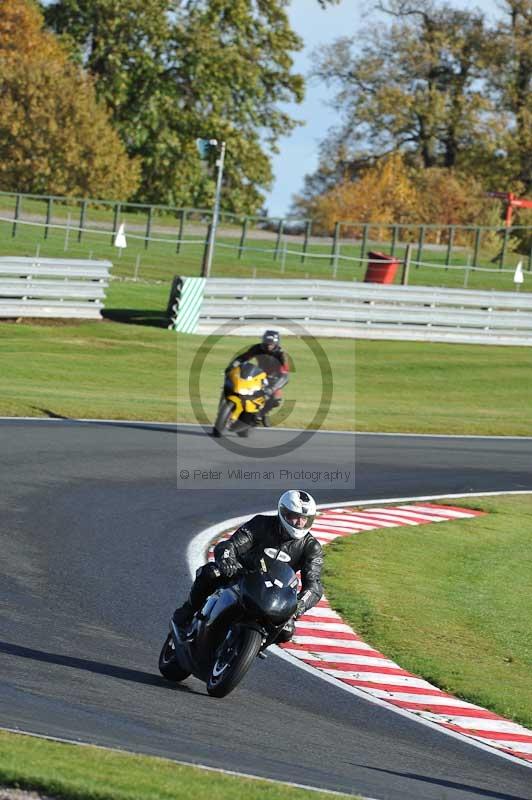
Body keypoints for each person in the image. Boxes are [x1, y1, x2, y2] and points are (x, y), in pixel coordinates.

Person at [172, 490, 323, 643]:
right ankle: (189, 610)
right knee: (210, 573)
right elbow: (231, 545)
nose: (299, 523)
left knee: (286, 631)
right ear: (283, 512)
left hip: (274, 594)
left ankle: (254, 645)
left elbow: (314, 586)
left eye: (304, 519)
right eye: (295, 517)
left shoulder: (311, 547)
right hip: (241, 575)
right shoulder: (261, 524)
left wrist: (299, 606)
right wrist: (227, 560)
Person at [227, 330, 289, 427]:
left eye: (271, 344)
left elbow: (285, 374)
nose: (268, 346)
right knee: (244, 390)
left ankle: (261, 414)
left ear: (276, 344)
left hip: (275, 378)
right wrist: (233, 365)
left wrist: (273, 387)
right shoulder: (257, 348)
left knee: (276, 398)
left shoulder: (281, 355)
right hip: (259, 373)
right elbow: (244, 357)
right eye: (267, 343)